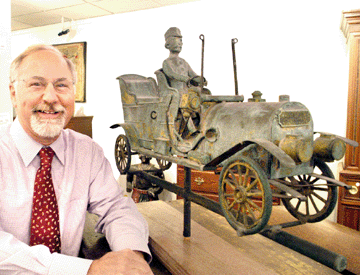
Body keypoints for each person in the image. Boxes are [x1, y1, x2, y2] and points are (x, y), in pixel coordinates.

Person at [0, 44, 153, 275]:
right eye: (36, 84)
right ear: (13, 93)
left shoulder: (87, 152)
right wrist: (87, 269)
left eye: (61, 85)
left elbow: (115, 208)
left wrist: (131, 255)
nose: (51, 97)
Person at [162, 27, 205, 97]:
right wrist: (186, 79)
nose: (180, 44)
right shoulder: (167, 62)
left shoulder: (183, 62)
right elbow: (172, 74)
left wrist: (201, 79)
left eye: (181, 41)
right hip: (176, 93)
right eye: (176, 40)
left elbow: (193, 74)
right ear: (168, 45)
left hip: (187, 89)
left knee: (201, 91)